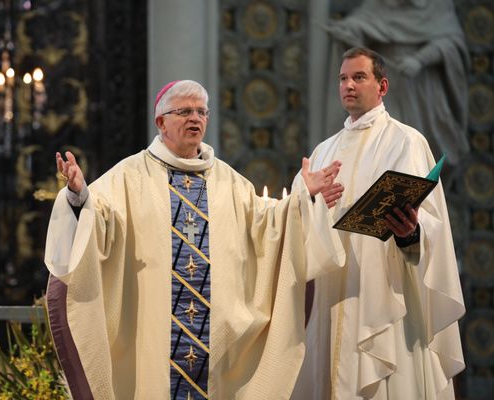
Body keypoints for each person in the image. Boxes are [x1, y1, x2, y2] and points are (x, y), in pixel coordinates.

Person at [44, 80, 346, 399]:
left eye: (201, 112)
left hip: (216, 349)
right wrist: (78, 195)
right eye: (185, 111)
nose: (195, 119)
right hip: (151, 338)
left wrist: (301, 203)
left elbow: (267, 225)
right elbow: (98, 221)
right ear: (161, 122)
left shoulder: (228, 181)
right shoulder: (128, 176)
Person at [291, 48, 465, 399]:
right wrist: (309, 203)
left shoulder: (406, 141)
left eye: (359, 77)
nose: (348, 85)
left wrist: (409, 234)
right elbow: (297, 221)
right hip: (333, 292)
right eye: (343, 78)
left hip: (386, 293)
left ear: (382, 86)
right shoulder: (324, 150)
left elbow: (432, 223)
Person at [321, 0, 469, 165]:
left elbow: (451, 43)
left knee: (428, 148)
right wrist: (347, 31)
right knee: (386, 145)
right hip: (387, 85)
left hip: (422, 87)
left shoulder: (437, 5)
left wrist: (420, 60)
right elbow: (361, 23)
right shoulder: (380, 4)